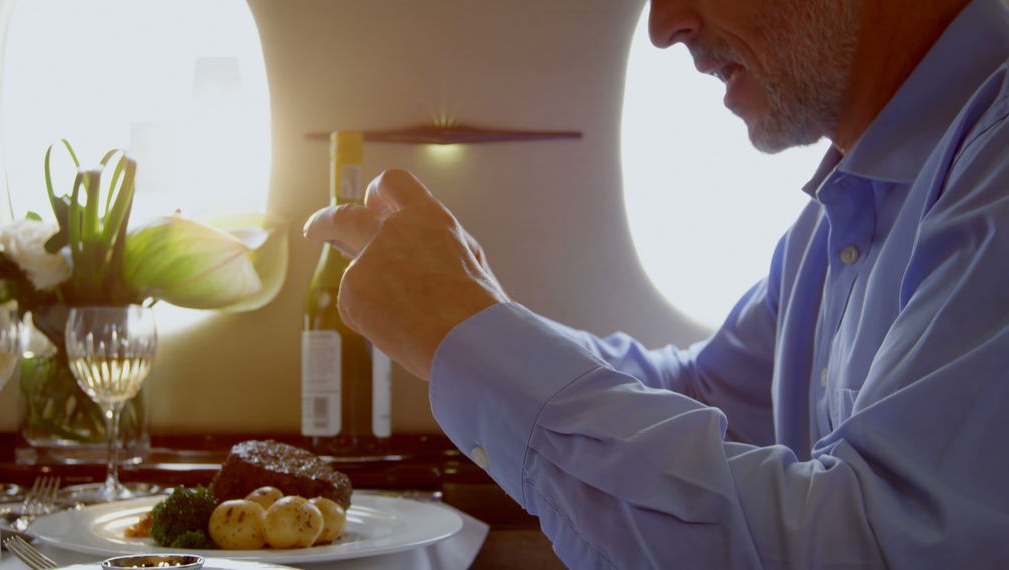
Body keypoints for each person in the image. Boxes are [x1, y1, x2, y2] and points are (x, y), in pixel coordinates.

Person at [304, 0, 1009, 566]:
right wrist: (477, 313)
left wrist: (469, 338)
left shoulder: (996, 174)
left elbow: (881, 546)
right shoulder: (833, 227)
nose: (662, 24)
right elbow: (702, 397)